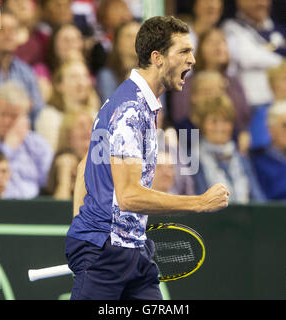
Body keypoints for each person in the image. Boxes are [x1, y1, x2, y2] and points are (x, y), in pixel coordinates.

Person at [65, 16, 229, 301]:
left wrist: (83, 231)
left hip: (132, 251)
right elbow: (128, 196)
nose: (192, 59)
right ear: (158, 58)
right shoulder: (131, 109)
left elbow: (85, 166)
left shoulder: (137, 103)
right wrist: (200, 203)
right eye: (183, 51)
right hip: (107, 254)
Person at [222, 0, 286, 107]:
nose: (261, 3)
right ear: (240, 2)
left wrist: (264, 50)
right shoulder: (231, 27)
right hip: (255, 103)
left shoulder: (279, 28)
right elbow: (247, 58)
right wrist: (283, 56)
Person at [192, 95, 265, 203]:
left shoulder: (241, 156)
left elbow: (257, 197)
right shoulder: (193, 158)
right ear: (202, 125)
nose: (220, 127)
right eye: (214, 121)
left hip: (244, 216)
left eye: (225, 121)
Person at [35, 60, 100, 151]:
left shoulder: (94, 114)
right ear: (59, 85)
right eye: (74, 77)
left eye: (84, 76)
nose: (81, 83)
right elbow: (49, 153)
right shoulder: (49, 116)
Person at [96, 20, 141, 102]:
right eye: (129, 36)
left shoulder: (152, 73)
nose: (134, 41)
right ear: (117, 42)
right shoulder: (106, 76)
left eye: (138, 36)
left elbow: (159, 113)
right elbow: (110, 111)